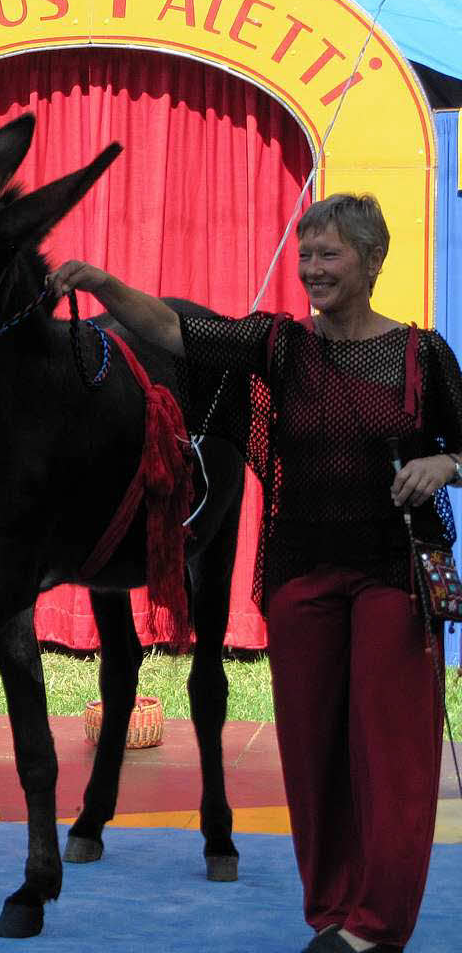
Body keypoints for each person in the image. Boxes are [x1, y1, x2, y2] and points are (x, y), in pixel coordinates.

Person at [49, 193, 462, 953]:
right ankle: (332, 912)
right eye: (305, 255)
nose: (311, 269)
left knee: (391, 757)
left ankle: (376, 927)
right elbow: (175, 330)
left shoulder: (422, 355)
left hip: (390, 576)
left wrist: (446, 461)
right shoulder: (278, 347)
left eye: (329, 254)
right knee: (313, 762)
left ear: (373, 260)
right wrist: (106, 285)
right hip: (301, 577)